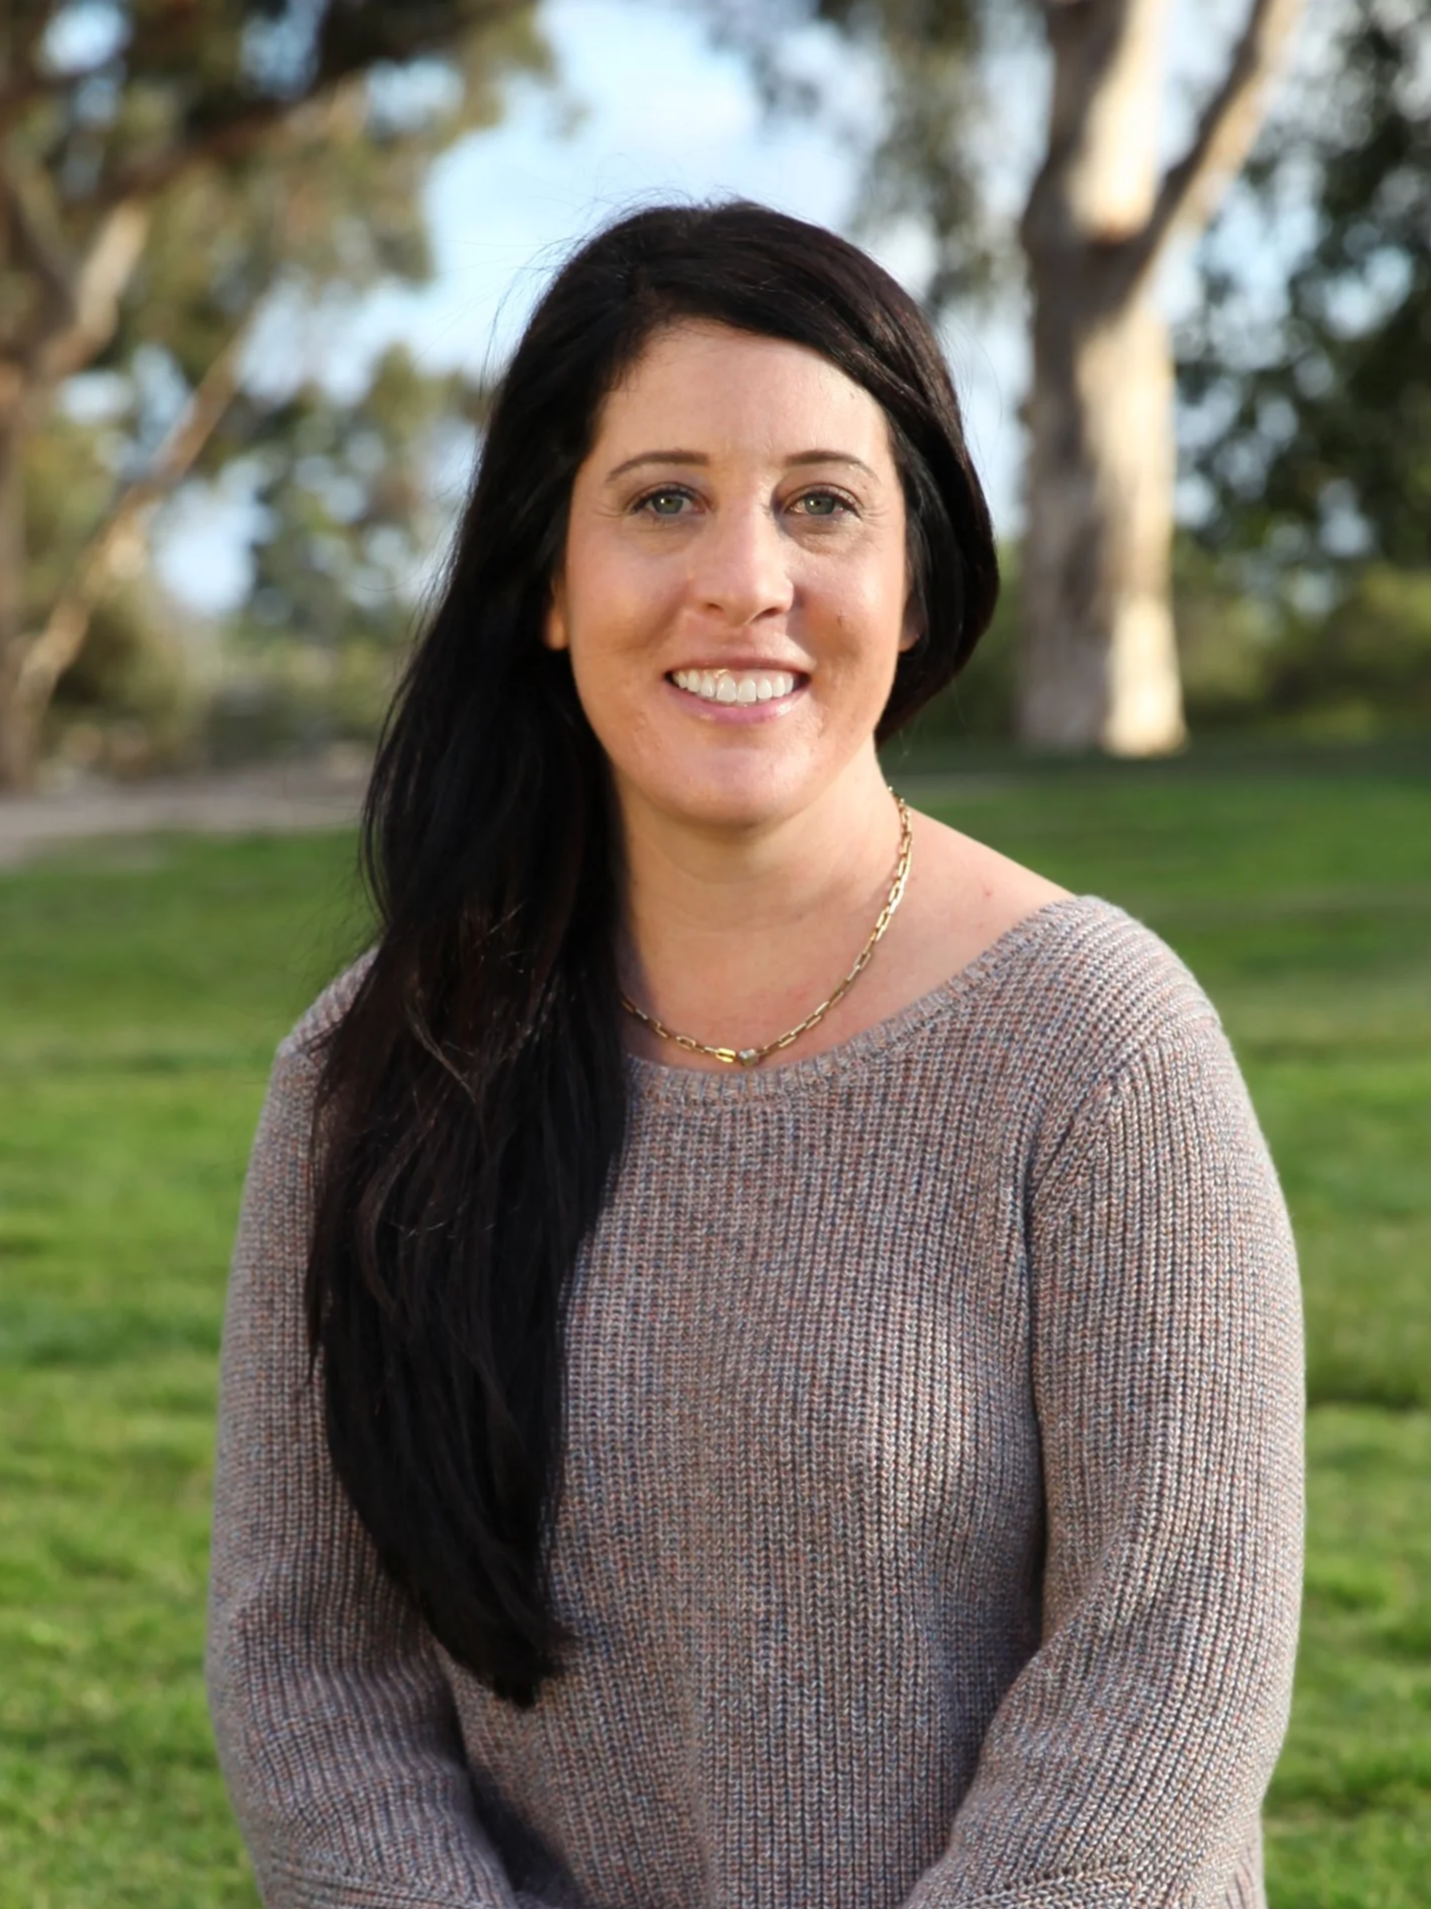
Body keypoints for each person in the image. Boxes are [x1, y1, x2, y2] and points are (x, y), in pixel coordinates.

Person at [207, 201, 1303, 1909]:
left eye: (820, 503)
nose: (743, 580)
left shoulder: (1100, 1056)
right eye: (662, 500)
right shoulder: (377, 1068)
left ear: (914, 578)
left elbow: (1164, 1686)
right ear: (547, 581)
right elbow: (309, 1674)